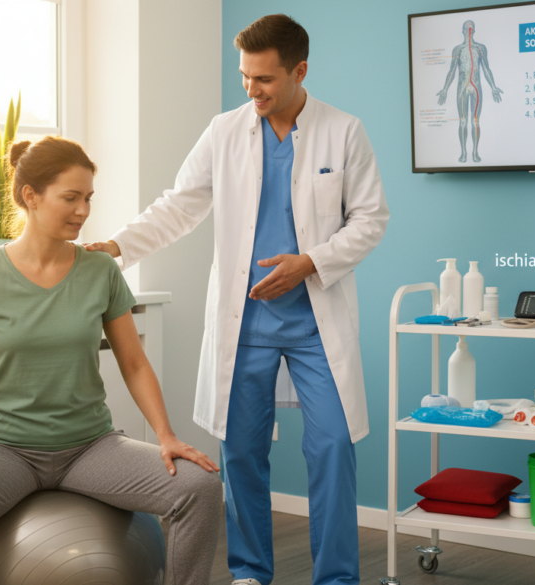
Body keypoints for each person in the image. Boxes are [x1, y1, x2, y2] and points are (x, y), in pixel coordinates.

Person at [84, 14, 389, 585]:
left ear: (300, 71)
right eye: (245, 77)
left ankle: (338, 578)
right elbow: (179, 205)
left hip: (314, 324)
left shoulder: (344, 132)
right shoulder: (225, 130)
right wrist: (120, 246)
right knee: (242, 453)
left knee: (332, 449)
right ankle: (250, 572)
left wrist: (310, 262)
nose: (252, 90)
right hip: (244, 320)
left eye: (265, 79)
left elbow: (371, 219)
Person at [0, 136, 222, 585]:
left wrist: (166, 436)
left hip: (89, 446)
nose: (83, 211)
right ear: (30, 196)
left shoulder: (100, 271)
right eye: (70, 198)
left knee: (200, 487)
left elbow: (134, 363)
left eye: (88, 198)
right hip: (4, 447)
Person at [437, 19, 503, 163]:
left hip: (476, 86)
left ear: (474, 30)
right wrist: (445, 89)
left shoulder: (480, 48)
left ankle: (475, 152)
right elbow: (452, 71)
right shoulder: (457, 49)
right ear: (462, 31)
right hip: (462, 87)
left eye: (471, 27)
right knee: (462, 121)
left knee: (475, 120)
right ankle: (463, 153)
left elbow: (486, 69)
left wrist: (493, 86)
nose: (469, 30)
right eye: (466, 27)